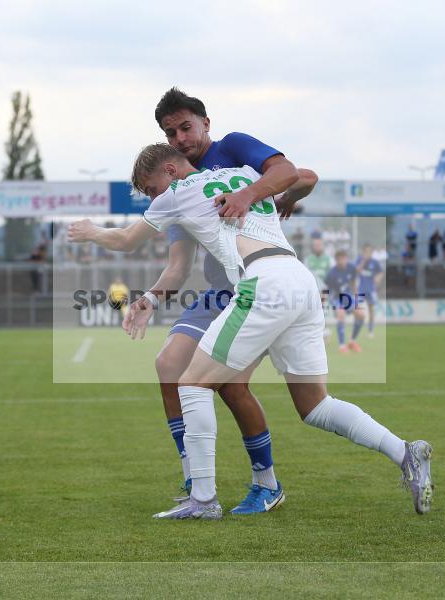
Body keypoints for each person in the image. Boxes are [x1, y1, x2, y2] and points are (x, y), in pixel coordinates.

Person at [70, 144, 433, 520]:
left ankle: (203, 500)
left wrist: (91, 231)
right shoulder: (244, 176)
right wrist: (287, 196)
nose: (153, 198)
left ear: (170, 171)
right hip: (301, 282)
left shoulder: (176, 194)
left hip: (262, 283)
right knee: (316, 406)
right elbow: (303, 175)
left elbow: (127, 240)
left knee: (191, 383)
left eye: (151, 188)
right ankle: (405, 452)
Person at [76, 88, 318, 515]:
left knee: (232, 386)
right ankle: (194, 480)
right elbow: (177, 267)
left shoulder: (232, 150)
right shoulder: (175, 191)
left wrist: (275, 199)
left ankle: (265, 481)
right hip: (218, 292)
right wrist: (149, 298)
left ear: (206, 122)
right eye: (171, 132)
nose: (180, 137)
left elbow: (303, 176)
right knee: (169, 366)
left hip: (258, 284)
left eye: (185, 127)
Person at [326, 249, 364, 353]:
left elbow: (353, 283)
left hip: (347, 297)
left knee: (361, 314)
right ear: (336, 260)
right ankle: (342, 346)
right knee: (341, 314)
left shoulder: (351, 268)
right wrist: (332, 304)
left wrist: (356, 298)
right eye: (340, 259)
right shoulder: (332, 274)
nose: (343, 261)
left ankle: (352, 341)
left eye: (344, 259)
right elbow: (328, 291)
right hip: (336, 298)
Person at [355, 244, 384, 338]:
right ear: (363, 252)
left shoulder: (375, 262)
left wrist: (378, 278)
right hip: (361, 289)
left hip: (371, 289)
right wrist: (364, 261)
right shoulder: (359, 260)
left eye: (370, 251)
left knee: (371, 309)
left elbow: (381, 272)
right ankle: (357, 330)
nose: (368, 253)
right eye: (366, 251)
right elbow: (357, 270)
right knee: (358, 310)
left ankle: (370, 330)